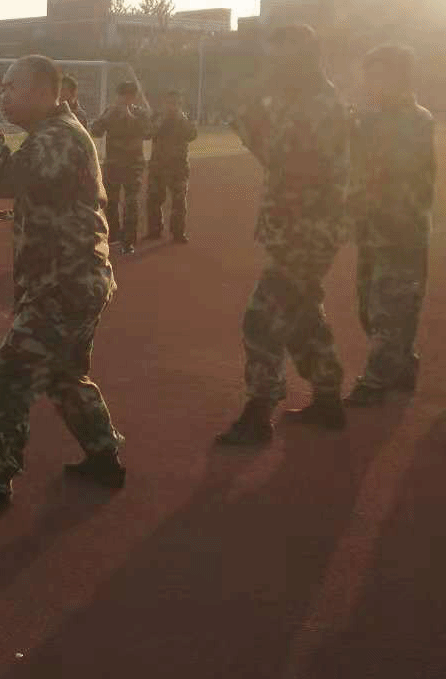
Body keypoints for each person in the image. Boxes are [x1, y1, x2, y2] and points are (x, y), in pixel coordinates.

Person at [0, 55, 125, 522]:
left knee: (5, 378)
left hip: (63, 286)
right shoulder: (52, 134)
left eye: (12, 87)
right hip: (71, 280)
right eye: (3, 88)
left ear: (46, 92)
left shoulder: (58, 137)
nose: (3, 95)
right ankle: (104, 456)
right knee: (65, 375)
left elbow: (7, 180)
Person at [216, 24, 351, 444]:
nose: (272, 64)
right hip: (299, 226)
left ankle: (259, 411)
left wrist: (250, 121)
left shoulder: (316, 104)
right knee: (303, 313)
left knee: (262, 318)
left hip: (306, 229)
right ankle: (327, 397)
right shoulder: (303, 99)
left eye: (280, 57)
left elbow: (287, 159)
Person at [345, 44, 436, 405]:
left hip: (402, 229)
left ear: (400, 77)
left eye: (377, 76)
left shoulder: (415, 119)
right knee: (372, 305)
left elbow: (388, 164)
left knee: (389, 306)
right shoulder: (375, 118)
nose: (369, 84)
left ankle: (376, 382)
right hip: (374, 228)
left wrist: (356, 128)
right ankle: (402, 365)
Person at [89, 81, 153, 254]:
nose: (125, 99)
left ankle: (128, 240)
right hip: (114, 165)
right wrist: (108, 117)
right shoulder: (110, 112)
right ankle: (114, 234)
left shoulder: (140, 113)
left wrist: (131, 118)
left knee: (131, 203)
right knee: (111, 202)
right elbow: (95, 131)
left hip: (133, 165)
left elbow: (148, 133)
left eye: (129, 95)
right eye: (122, 95)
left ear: (134, 97)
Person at [145, 89, 198, 243]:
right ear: (164, 103)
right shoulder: (157, 117)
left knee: (179, 201)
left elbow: (192, 135)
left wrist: (182, 119)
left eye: (176, 103)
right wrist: (160, 121)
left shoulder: (185, 118)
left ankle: (178, 232)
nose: (172, 106)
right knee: (154, 199)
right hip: (158, 166)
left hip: (178, 167)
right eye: (169, 103)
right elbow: (148, 134)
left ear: (180, 104)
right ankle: (154, 230)